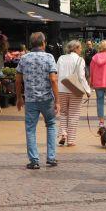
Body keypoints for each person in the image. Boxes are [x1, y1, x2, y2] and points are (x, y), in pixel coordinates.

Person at [15, 31, 60, 169]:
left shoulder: (24, 58)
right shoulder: (49, 57)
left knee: (30, 129)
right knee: (51, 125)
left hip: (30, 99)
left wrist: (19, 97)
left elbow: (17, 80)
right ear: (43, 43)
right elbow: (53, 79)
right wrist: (57, 100)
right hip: (47, 98)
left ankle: (34, 160)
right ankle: (51, 158)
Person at [56, 40, 90, 147]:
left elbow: (56, 73)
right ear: (75, 48)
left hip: (61, 89)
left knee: (63, 113)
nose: (81, 50)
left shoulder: (61, 58)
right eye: (80, 48)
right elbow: (81, 77)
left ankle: (63, 133)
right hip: (75, 90)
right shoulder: (80, 60)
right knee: (73, 115)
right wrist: (88, 90)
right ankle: (70, 140)